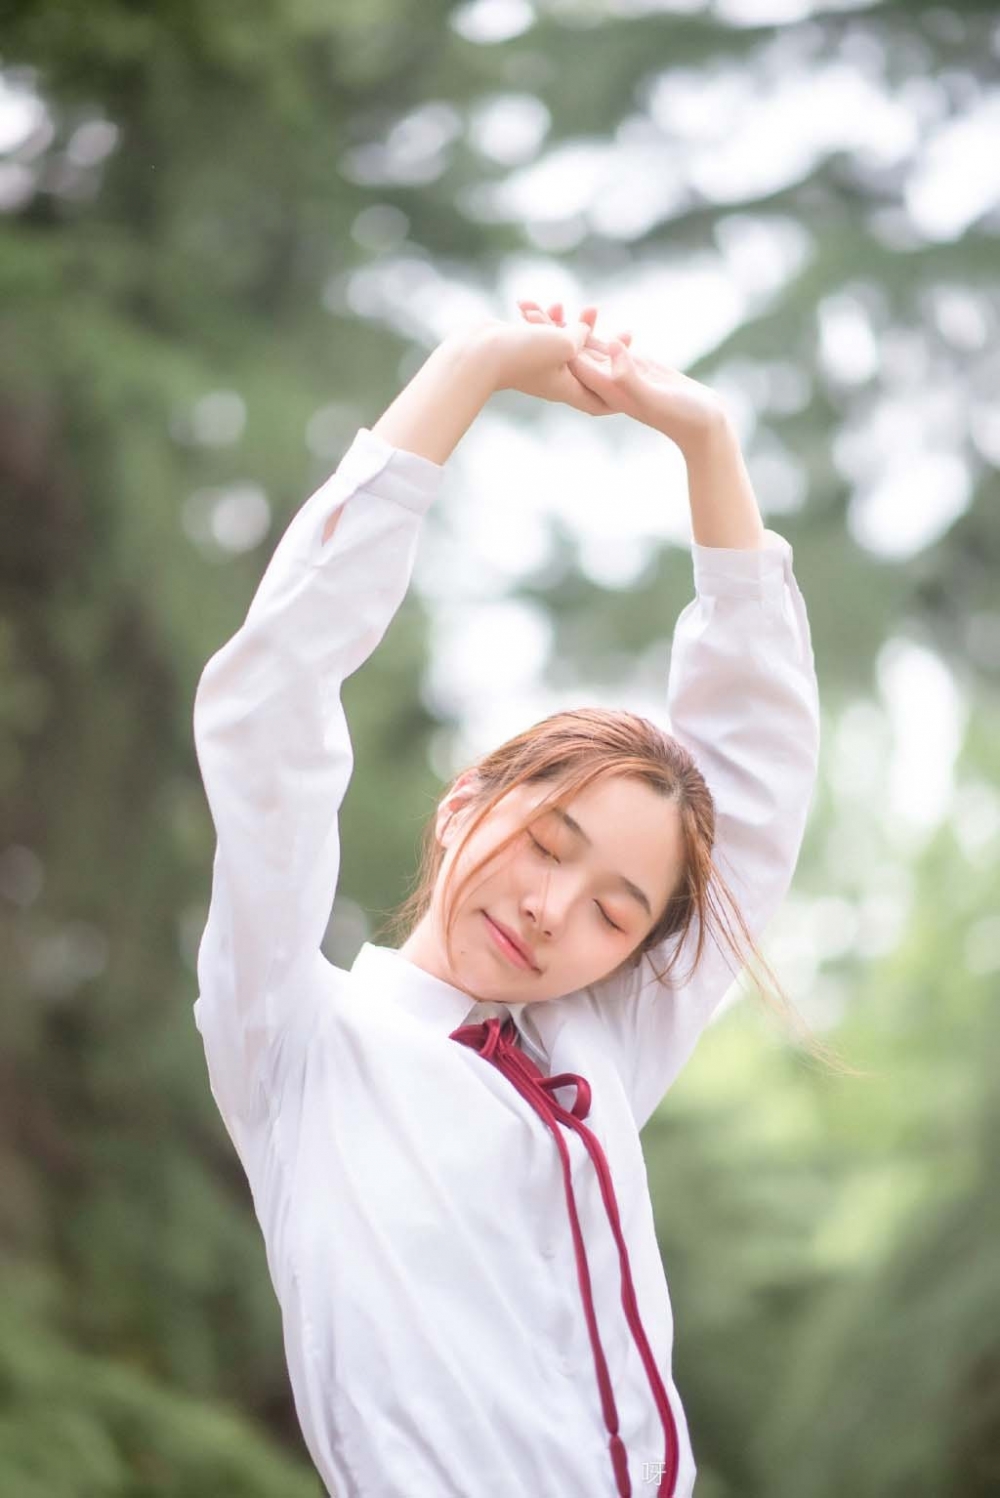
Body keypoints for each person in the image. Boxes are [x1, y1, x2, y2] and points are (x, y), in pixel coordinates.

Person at [192, 301, 825, 1498]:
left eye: (614, 911)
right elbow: (267, 707)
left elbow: (754, 788)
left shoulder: (600, 1046)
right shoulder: (295, 1039)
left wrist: (708, 444)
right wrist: (471, 368)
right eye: (547, 840)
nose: (550, 910)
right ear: (461, 801)